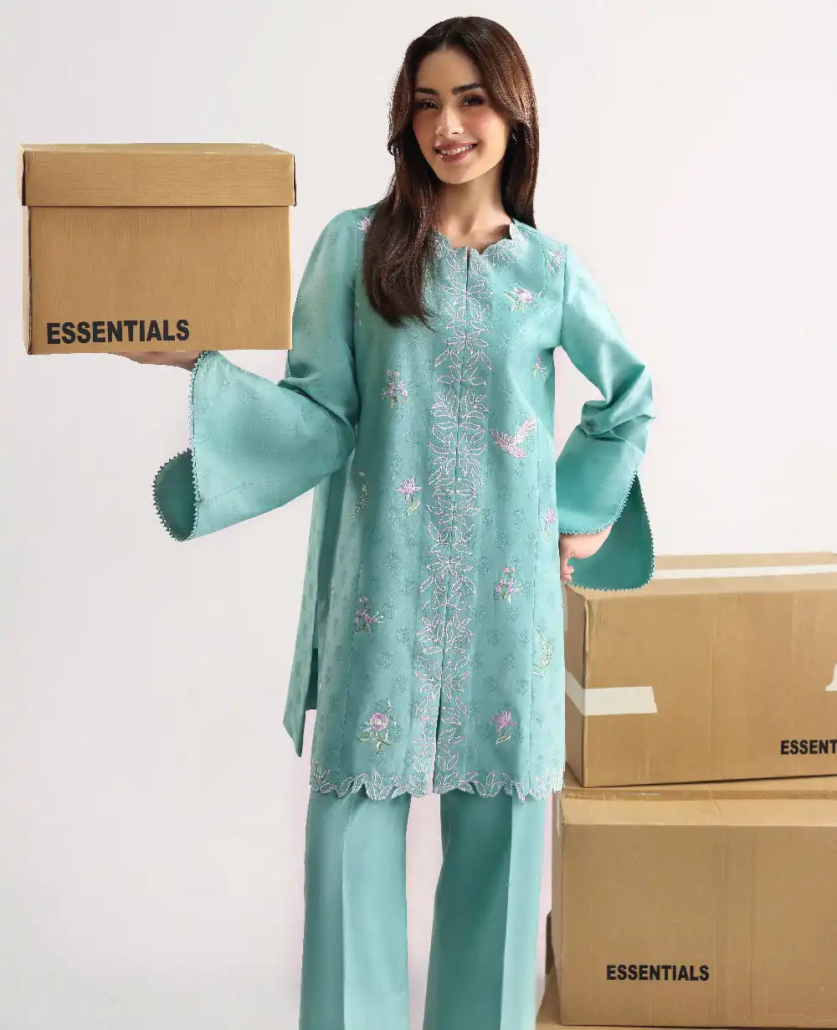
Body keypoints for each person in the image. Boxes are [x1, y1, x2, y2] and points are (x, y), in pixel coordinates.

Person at [120, 15, 655, 1030]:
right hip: (382, 592)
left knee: (502, 861)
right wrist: (201, 367)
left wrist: (582, 510)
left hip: (507, 606)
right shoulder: (356, 248)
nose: (447, 126)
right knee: (349, 846)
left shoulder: (548, 271)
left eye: (470, 101)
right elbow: (319, 417)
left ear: (514, 112)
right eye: (425, 105)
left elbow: (628, 395)